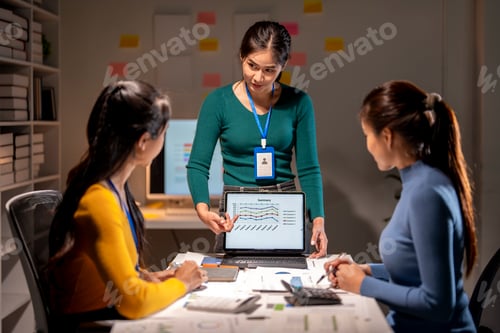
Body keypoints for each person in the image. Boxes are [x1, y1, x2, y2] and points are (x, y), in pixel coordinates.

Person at [48, 80, 207, 331]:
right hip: (92, 324)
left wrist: (154, 279)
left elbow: (122, 277)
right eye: (164, 133)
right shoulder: (99, 201)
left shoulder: (114, 189)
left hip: (104, 313)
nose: (164, 140)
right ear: (144, 141)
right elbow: (132, 302)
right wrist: (182, 284)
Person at [324, 80, 478, 332]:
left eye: (367, 136)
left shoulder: (426, 193)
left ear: (387, 136)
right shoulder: (423, 182)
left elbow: (438, 304)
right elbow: (418, 268)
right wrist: (367, 271)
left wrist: (362, 285)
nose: (367, 146)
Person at [186, 20, 327, 258]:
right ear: (242, 56)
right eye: (252, 65)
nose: (258, 77)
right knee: (233, 284)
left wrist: (318, 220)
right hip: (236, 208)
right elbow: (198, 165)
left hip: (285, 207)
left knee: (290, 279)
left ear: (284, 65)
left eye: (269, 70)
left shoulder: (300, 102)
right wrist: (202, 209)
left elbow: (309, 169)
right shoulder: (217, 102)